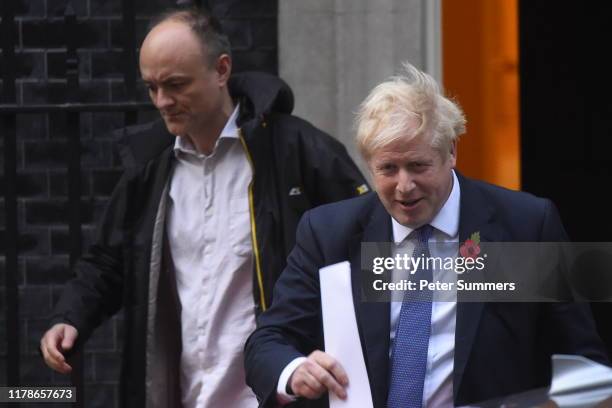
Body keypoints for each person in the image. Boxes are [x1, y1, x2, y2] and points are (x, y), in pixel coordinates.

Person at [39, 7, 368, 408]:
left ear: (222, 70)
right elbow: (109, 261)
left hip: (274, 397)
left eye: (176, 84)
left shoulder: (298, 151)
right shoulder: (149, 168)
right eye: (151, 87)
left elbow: (370, 249)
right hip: (183, 395)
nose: (162, 101)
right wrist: (70, 317)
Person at [243, 63, 609, 407]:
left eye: (418, 166)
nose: (404, 186)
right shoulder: (329, 234)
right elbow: (268, 341)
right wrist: (294, 371)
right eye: (388, 169)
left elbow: (582, 362)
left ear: (451, 152)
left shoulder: (523, 226)